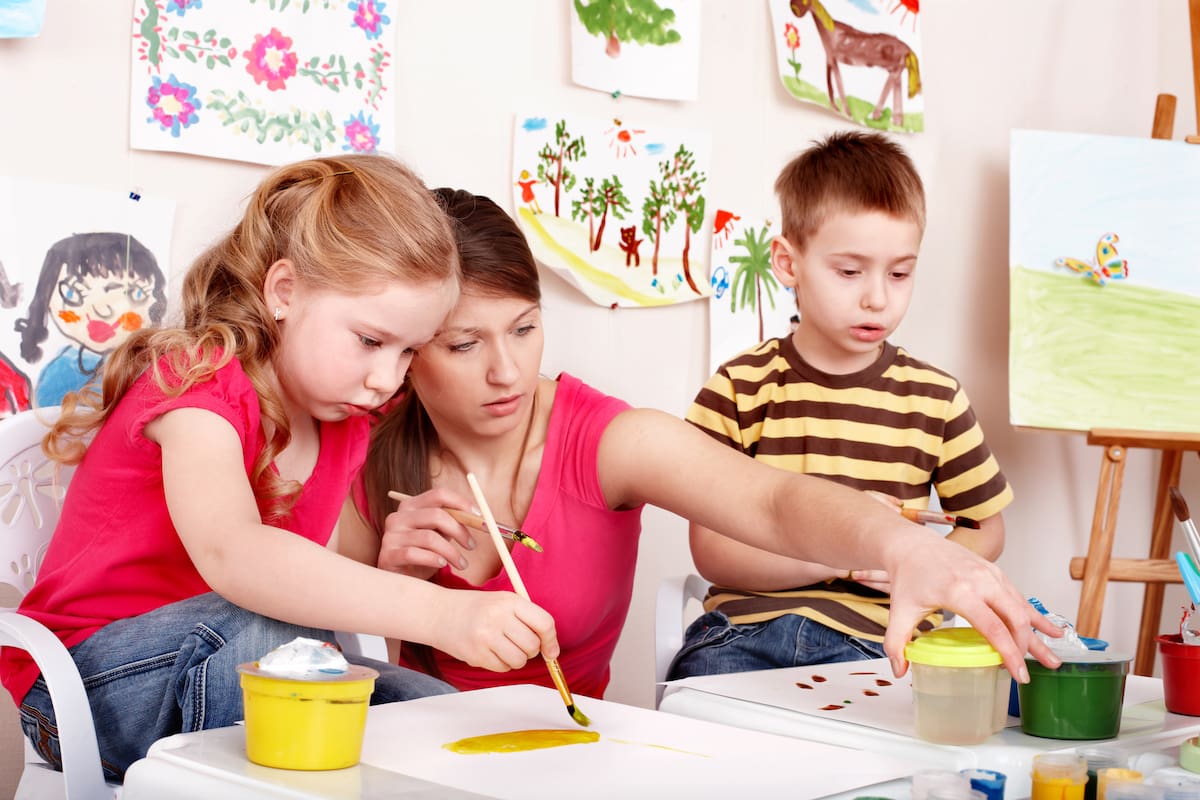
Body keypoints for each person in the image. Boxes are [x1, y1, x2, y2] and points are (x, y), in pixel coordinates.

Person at [341, 187, 1059, 703]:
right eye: (464, 344)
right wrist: (382, 574)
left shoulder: (606, 439)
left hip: (565, 756)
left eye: (525, 328)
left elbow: (772, 500)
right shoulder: (365, 442)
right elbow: (302, 628)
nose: (507, 371)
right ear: (408, 349)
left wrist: (904, 548)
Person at [0, 155, 561, 781]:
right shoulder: (197, 384)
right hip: (82, 689)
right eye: (371, 341)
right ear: (284, 292)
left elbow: (314, 590)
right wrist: (441, 613)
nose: (387, 378)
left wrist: (398, 585)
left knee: (440, 716)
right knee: (259, 633)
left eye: (409, 351)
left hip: (243, 664)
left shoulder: (347, 419)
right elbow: (237, 556)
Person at [667, 130, 1014, 681]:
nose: (877, 296)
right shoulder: (739, 387)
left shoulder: (937, 397)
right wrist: (844, 552)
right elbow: (711, 550)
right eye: (850, 272)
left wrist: (917, 559)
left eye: (900, 273)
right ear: (787, 262)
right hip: (745, 633)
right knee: (708, 726)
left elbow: (986, 529)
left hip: (881, 642)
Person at [14, 231, 168, 407]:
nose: (102, 310)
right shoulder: (60, 370)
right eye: (74, 294)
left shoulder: (150, 371)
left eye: (134, 293)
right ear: (47, 300)